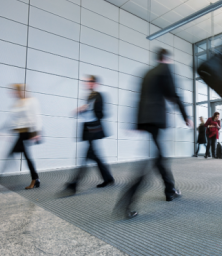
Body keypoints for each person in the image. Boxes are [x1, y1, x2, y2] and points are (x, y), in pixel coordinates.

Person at [115, 48, 193, 218]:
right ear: (166, 58)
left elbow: (139, 98)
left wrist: (136, 123)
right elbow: (173, 94)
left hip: (146, 120)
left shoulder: (147, 73)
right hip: (156, 120)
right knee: (150, 163)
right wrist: (186, 116)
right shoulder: (165, 69)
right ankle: (126, 203)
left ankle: (170, 189)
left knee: (160, 157)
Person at [0, 84, 42, 191]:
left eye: (15, 91)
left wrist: (36, 132)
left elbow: (36, 116)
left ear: (21, 91)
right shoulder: (17, 103)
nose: (14, 93)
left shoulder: (31, 101)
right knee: (26, 157)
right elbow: (11, 121)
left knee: (10, 156)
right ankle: (35, 179)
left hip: (27, 132)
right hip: (20, 133)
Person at [62, 75, 114, 195]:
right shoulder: (89, 96)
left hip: (93, 128)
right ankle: (108, 178)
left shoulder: (98, 95)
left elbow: (100, 113)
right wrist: (82, 110)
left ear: (95, 83)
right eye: (87, 81)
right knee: (94, 155)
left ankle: (73, 185)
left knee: (86, 156)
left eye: (90, 82)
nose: (88, 83)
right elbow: (89, 111)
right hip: (88, 128)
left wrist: (85, 110)